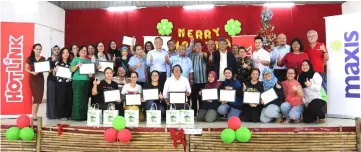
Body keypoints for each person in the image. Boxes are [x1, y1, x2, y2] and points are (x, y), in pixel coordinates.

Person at [70, 46, 92, 121]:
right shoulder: (76, 59)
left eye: (85, 51)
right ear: (79, 52)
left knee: (84, 99)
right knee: (77, 99)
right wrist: (77, 65)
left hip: (86, 81)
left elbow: (91, 72)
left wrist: (90, 75)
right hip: (77, 81)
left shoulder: (89, 61)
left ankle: (84, 116)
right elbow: (71, 69)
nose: (83, 51)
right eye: (82, 50)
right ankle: (77, 116)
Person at [25, 43, 45, 120]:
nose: (38, 51)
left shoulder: (43, 58)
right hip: (33, 79)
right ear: (33, 50)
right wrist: (31, 72)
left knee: (39, 97)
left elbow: (45, 67)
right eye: (37, 49)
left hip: (40, 79)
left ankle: (35, 114)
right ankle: (34, 115)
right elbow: (26, 68)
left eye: (40, 49)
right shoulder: (30, 58)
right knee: (36, 97)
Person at [53, 48, 73, 120]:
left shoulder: (71, 63)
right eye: (64, 53)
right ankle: (61, 115)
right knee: (61, 99)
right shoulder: (57, 62)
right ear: (61, 54)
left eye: (67, 52)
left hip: (69, 83)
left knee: (69, 98)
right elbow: (54, 74)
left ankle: (68, 114)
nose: (65, 54)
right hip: (60, 84)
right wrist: (54, 71)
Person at [189, 41, 207, 112]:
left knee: (201, 97)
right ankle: (194, 112)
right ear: (194, 47)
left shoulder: (205, 54)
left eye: (199, 45)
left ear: (202, 47)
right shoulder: (191, 55)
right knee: (193, 97)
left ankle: (201, 112)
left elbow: (207, 60)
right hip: (194, 80)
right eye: (196, 45)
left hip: (203, 80)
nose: (198, 47)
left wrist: (203, 56)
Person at [46, 45, 60, 119]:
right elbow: (48, 70)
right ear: (52, 51)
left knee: (58, 97)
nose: (56, 51)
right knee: (51, 97)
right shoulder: (49, 59)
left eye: (58, 49)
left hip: (60, 80)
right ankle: (51, 114)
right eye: (55, 49)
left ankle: (58, 113)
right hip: (51, 79)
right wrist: (53, 62)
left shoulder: (61, 58)